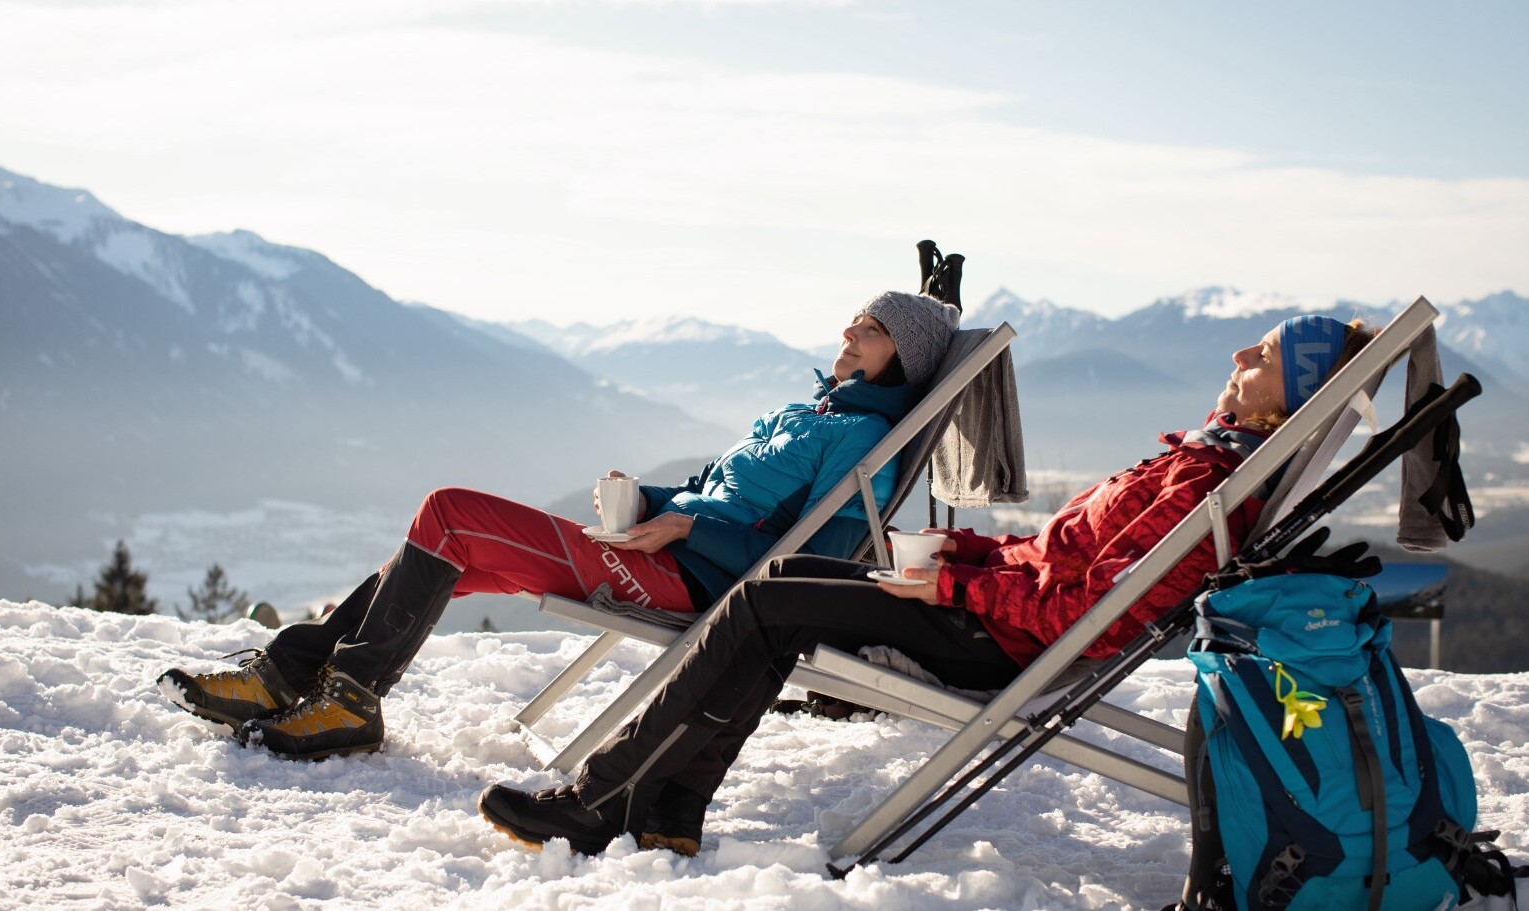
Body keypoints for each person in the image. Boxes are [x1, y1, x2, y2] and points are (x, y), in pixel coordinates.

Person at [477, 314, 1378, 858]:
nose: (1237, 352)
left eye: (1259, 354)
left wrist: (949, 589)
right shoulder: (1205, 463)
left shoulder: (1204, 487)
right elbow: (1058, 559)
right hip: (1000, 616)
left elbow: (1089, 610)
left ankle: (600, 800)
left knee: (764, 599)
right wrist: (960, 551)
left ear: (1285, 398)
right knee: (784, 579)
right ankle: (668, 807)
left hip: (1005, 643)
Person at [157, 290, 963, 760]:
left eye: (867, 327)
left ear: (904, 354)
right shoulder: (815, 410)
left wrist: (688, 535)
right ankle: (293, 671)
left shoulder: (863, 441)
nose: (845, 332)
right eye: (853, 321)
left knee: (448, 513)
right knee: (438, 556)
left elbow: (815, 562)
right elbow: (713, 487)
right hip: (661, 550)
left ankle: (349, 698)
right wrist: (648, 500)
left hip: (695, 583)